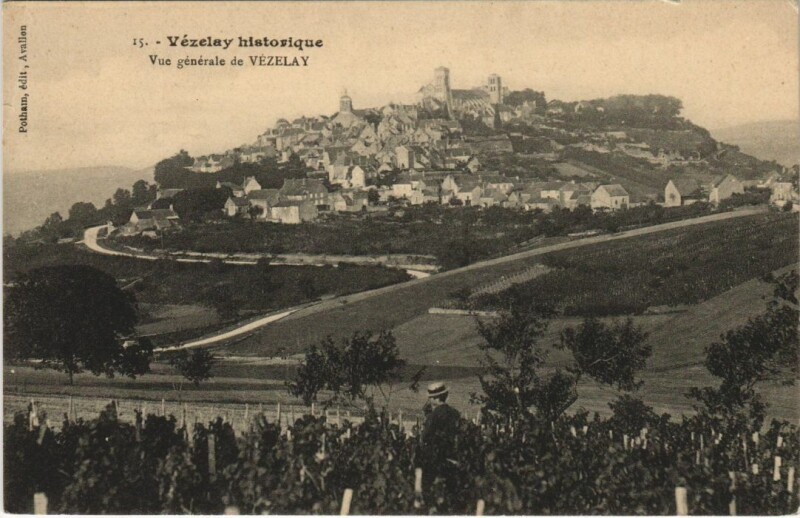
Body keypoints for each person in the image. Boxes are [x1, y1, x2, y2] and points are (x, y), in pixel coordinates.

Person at [419, 382, 461, 499]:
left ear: (435, 398)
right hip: (453, 453)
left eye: (431, 397)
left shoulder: (434, 415)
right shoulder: (455, 413)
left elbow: (425, 437)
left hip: (436, 456)